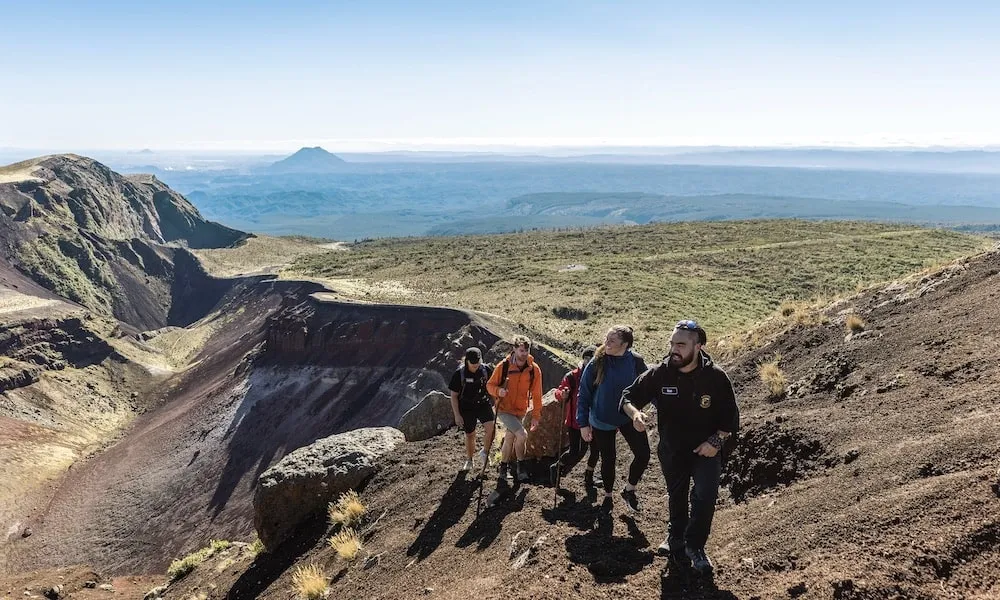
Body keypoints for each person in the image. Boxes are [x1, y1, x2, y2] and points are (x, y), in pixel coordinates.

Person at [620, 319, 739, 576]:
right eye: (672, 343)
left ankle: (695, 547)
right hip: (672, 449)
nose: (674, 349)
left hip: (705, 450)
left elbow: (731, 418)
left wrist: (715, 442)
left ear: (698, 347)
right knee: (677, 496)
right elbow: (628, 397)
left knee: (705, 496)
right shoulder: (660, 373)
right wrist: (635, 415)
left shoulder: (715, 377)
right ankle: (675, 540)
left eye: (681, 345)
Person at [577, 325, 650, 512]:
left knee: (643, 454)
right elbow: (584, 393)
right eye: (606, 339)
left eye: (612, 341)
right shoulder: (597, 362)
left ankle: (630, 489)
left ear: (625, 344)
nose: (606, 344)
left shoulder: (635, 361)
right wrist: (583, 424)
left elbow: (651, 386)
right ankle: (608, 495)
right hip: (602, 418)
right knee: (609, 458)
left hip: (628, 416)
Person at [487, 335, 543, 483]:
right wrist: (499, 391)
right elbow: (489, 386)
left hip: (520, 410)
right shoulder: (504, 366)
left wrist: (536, 416)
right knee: (522, 435)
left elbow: (537, 394)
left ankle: (504, 468)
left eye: (527, 350)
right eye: (521, 350)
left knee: (511, 437)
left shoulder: (534, 369)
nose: (524, 353)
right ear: (514, 349)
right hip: (504, 409)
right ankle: (521, 466)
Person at [550, 345, 597, 485]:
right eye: (587, 359)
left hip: (594, 420)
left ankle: (589, 476)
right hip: (575, 421)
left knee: (594, 450)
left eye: (592, 359)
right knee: (576, 451)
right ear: (583, 359)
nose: (589, 362)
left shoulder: (600, 375)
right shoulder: (572, 376)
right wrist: (562, 394)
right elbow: (558, 393)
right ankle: (557, 467)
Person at [448, 347, 496, 472]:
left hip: (483, 403)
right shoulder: (459, 374)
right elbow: (453, 396)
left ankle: (485, 452)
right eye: (472, 364)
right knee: (470, 434)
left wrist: (496, 401)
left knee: (491, 428)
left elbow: (492, 387)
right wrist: (457, 415)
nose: (475, 366)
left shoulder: (486, 370)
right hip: (466, 406)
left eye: (477, 363)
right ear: (466, 361)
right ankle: (469, 460)